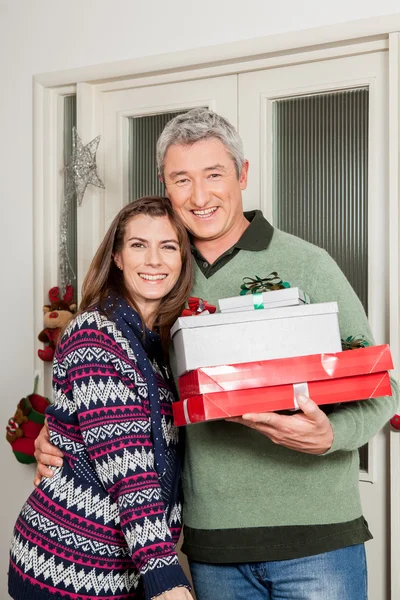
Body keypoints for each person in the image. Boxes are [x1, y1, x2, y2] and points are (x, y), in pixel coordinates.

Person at [34, 109, 399, 600]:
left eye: (214, 175)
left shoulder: (309, 263)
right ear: (166, 186)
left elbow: (383, 385)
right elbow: (117, 384)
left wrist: (332, 434)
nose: (199, 197)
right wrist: (61, 429)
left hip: (318, 540)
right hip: (213, 548)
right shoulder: (160, 273)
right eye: (182, 179)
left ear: (242, 174)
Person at [9, 197, 194, 600]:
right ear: (118, 257)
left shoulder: (157, 347)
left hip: (120, 568)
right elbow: (126, 464)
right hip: (65, 567)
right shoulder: (96, 335)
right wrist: (164, 573)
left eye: (168, 246)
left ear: (182, 258)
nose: (154, 260)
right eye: (138, 245)